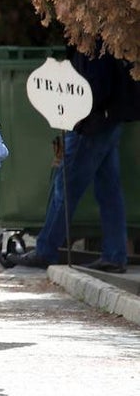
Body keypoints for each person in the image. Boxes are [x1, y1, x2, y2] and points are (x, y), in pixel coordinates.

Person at [10, 44, 139, 273]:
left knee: (65, 186)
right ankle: (115, 254)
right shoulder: (105, 35)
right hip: (110, 118)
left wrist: (75, 117)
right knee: (109, 190)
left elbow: (95, 87)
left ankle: (46, 249)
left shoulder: (92, 39)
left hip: (91, 124)